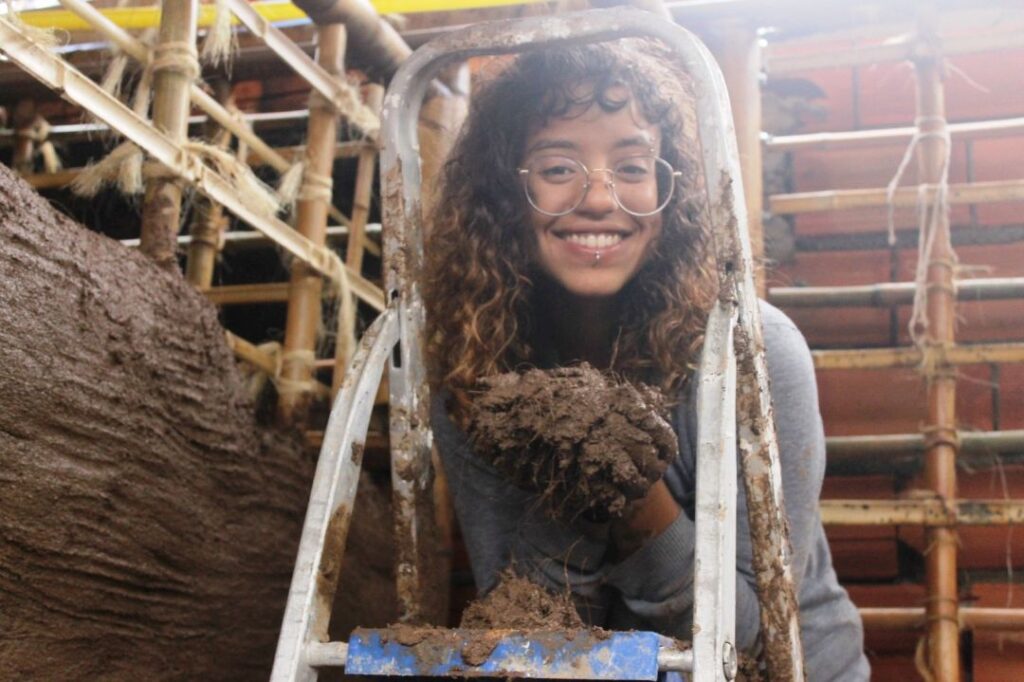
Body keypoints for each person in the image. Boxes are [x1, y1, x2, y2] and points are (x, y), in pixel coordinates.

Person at [423, 39, 869, 681]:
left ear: (670, 194)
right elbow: (530, 620)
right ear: (504, 194)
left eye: (632, 168)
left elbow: (750, 638)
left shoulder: (754, 354)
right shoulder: (475, 369)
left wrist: (632, 492)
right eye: (556, 169)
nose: (599, 198)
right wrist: (562, 456)